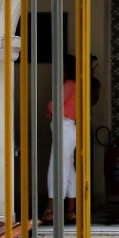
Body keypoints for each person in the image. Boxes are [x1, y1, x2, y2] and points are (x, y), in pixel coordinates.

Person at [44, 55, 79, 225]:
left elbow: (54, 105)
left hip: (64, 127)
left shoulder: (70, 84)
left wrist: (49, 107)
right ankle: (70, 210)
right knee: (67, 166)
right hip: (68, 127)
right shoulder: (75, 84)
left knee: (57, 166)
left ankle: (52, 208)